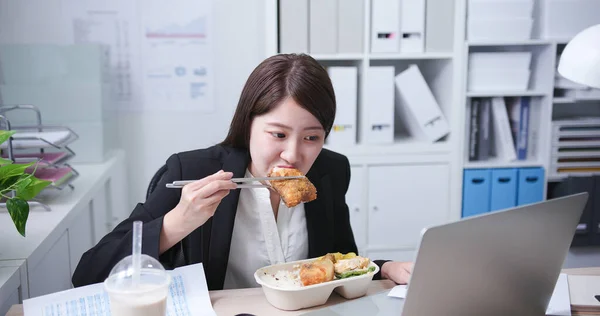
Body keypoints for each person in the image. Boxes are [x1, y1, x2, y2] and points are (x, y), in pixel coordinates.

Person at [72, 53, 413, 290]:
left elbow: (341, 262)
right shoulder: (191, 169)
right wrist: (177, 223)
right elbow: (89, 272)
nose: (293, 154)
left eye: (312, 137)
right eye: (278, 134)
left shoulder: (330, 171)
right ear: (249, 125)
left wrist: (384, 268)